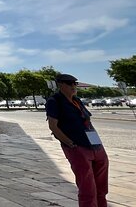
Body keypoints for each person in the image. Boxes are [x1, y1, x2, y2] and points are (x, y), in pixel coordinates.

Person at [46, 73, 109, 207]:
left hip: (95, 144)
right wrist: (70, 143)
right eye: (70, 83)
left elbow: (87, 119)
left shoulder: (77, 100)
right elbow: (53, 125)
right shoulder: (54, 101)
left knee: (101, 186)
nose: (74, 86)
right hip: (77, 147)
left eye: (75, 83)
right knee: (87, 187)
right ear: (60, 85)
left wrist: (97, 141)